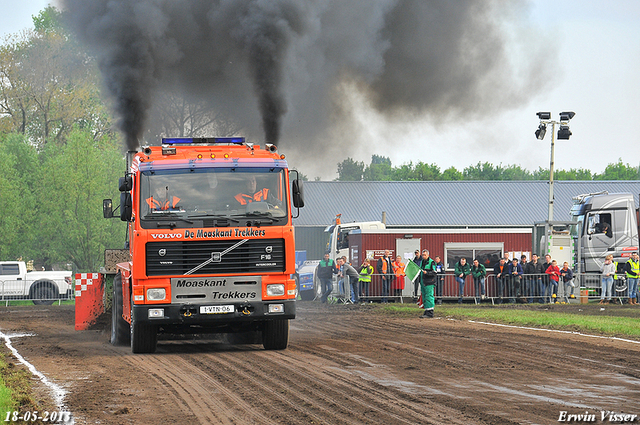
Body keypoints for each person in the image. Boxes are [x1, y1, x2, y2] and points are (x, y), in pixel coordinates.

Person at [418, 250, 437, 318]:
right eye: (422, 255)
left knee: (429, 296)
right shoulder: (422, 262)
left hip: (429, 282)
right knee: (424, 296)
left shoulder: (432, 262)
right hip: (423, 282)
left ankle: (430, 312)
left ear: (428, 255)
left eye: (425, 255)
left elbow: (434, 272)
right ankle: (426, 310)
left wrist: (427, 273)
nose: (423, 256)